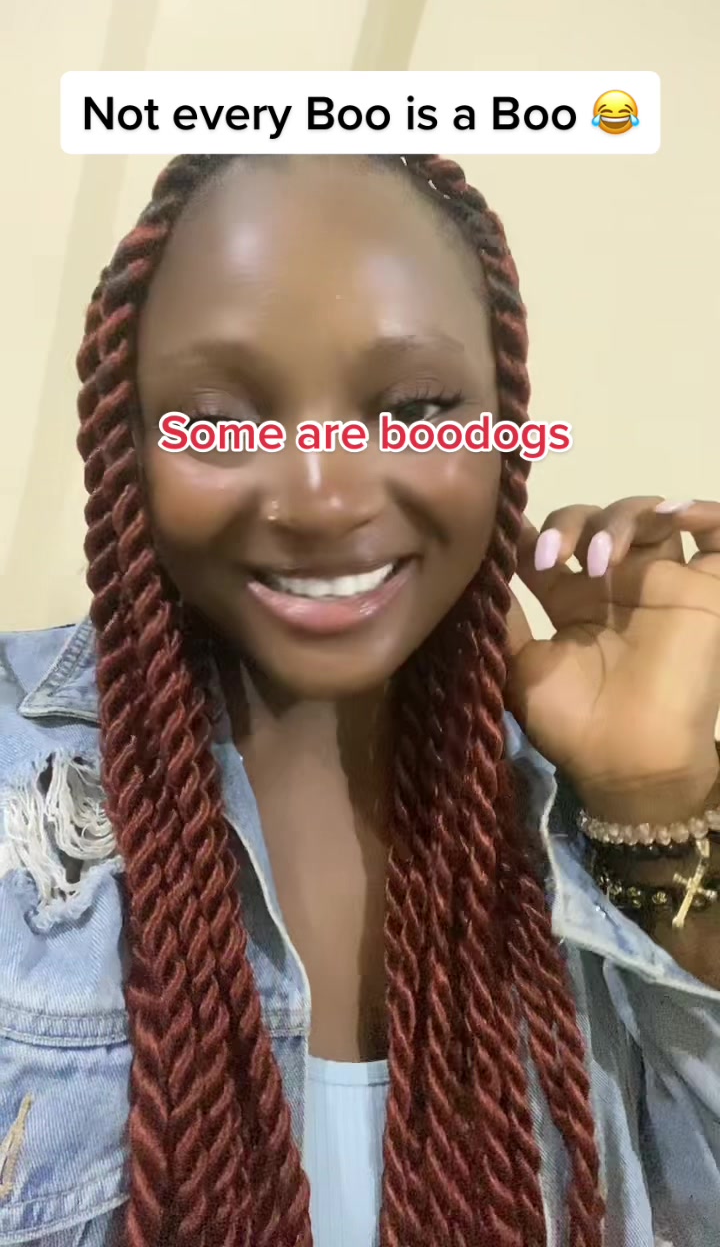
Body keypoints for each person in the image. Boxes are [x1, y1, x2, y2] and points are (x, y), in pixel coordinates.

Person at [0, 153, 718, 1247]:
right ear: (125, 441)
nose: (323, 497)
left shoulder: (583, 813)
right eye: (219, 417)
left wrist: (656, 794)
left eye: (416, 407)